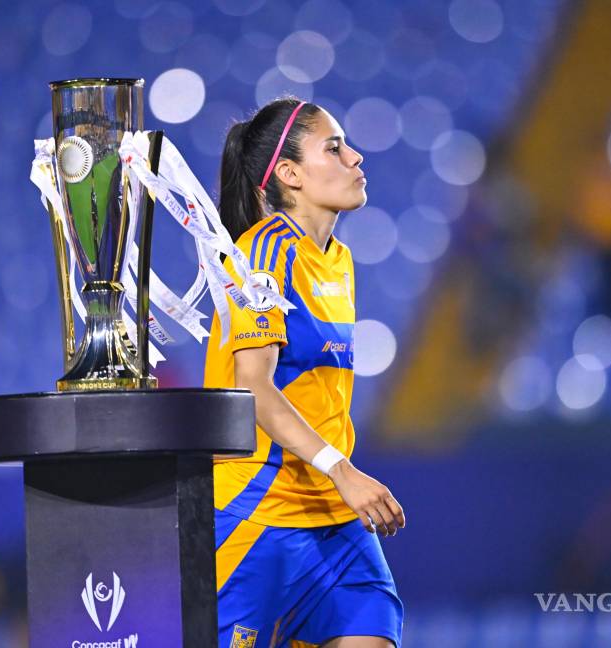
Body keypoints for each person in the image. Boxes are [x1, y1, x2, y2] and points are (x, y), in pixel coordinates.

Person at [203, 97, 406, 648]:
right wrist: (344, 470)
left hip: (334, 522)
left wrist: (339, 479)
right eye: (334, 148)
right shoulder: (260, 256)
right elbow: (254, 388)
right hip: (258, 516)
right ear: (290, 174)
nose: (356, 157)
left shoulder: (339, 259)